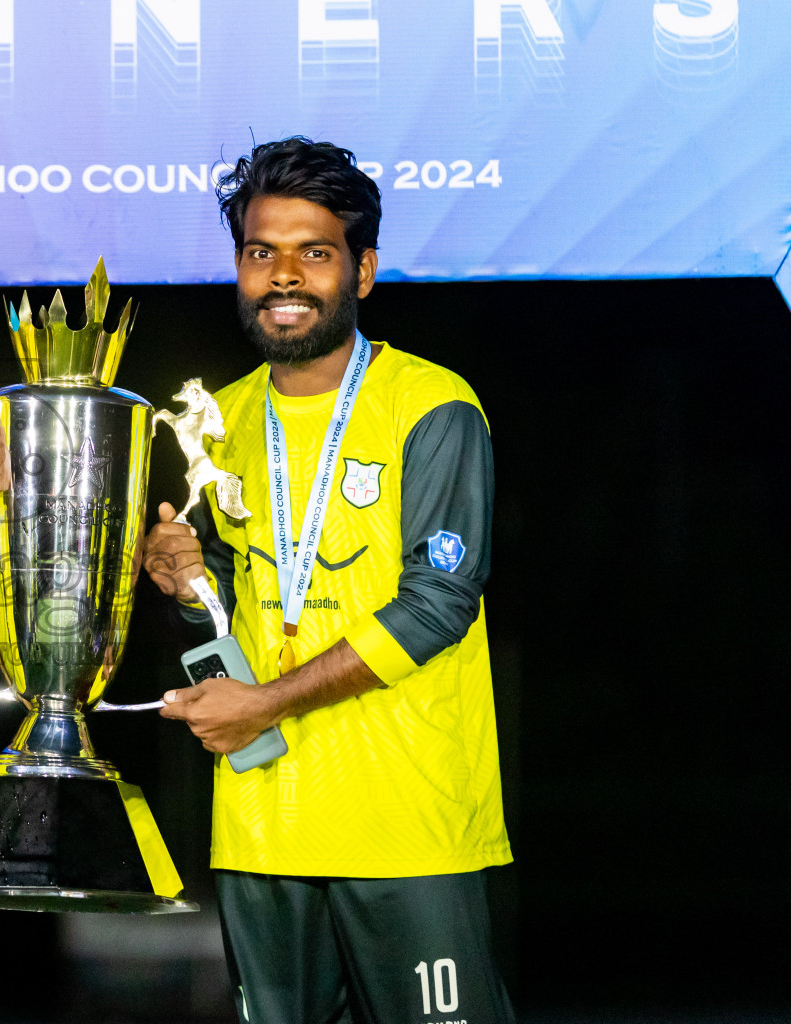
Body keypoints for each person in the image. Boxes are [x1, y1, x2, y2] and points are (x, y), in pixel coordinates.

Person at [144, 138, 516, 1024]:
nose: (283, 276)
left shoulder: (432, 406)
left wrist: (266, 704)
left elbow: (438, 606)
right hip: (262, 827)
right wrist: (184, 583)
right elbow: (231, 618)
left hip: (409, 828)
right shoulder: (219, 420)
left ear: (364, 270)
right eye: (260, 252)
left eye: (314, 252)